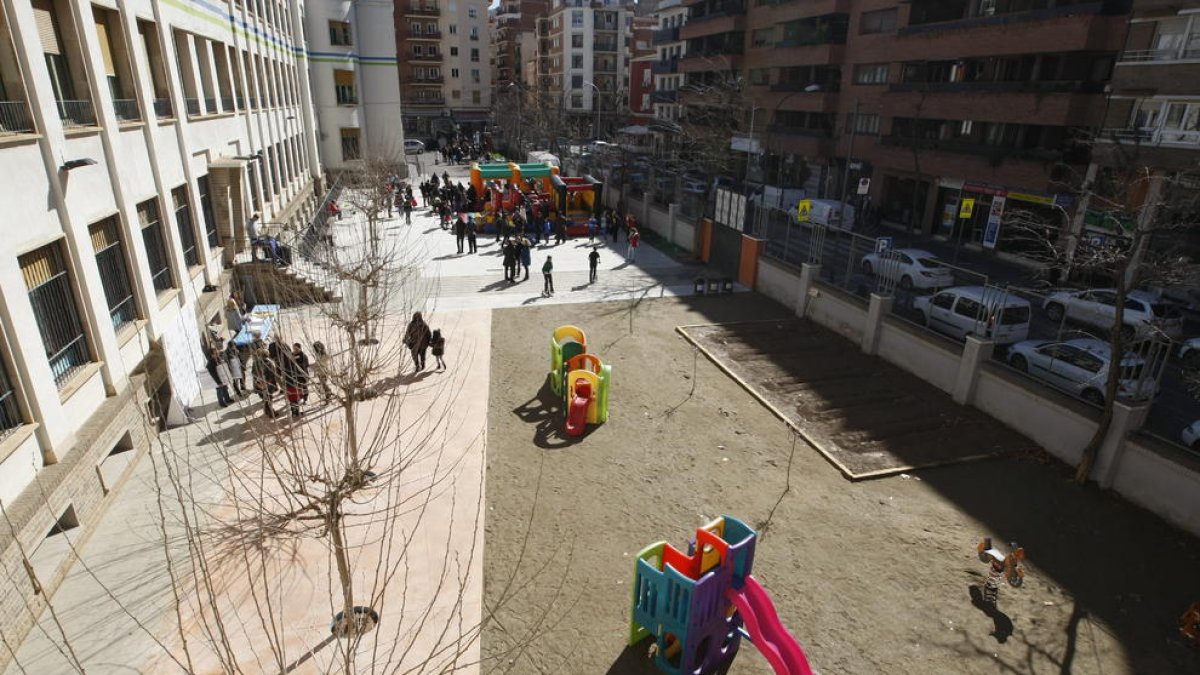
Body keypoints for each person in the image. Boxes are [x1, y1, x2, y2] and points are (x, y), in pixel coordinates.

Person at [251, 348, 278, 419]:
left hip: (259, 384)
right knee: (268, 398)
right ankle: (271, 413)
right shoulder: (268, 363)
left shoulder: (255, 362)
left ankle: (266, 410)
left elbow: (253, 373)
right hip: (267, 384)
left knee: (266, 398)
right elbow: (272, 374)